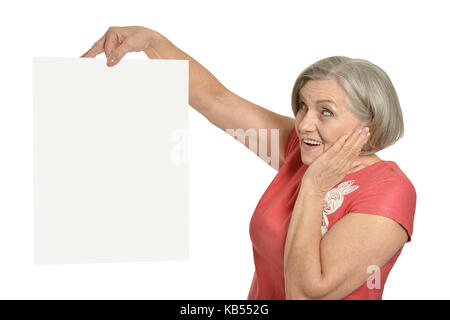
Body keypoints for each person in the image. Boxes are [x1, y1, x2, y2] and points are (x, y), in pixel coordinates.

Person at [82, 26, 416, 300]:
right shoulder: (303, 149)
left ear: (368, 124)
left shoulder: (389, 191)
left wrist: (313, 187)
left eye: (325, 112)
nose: (303, 124)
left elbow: (306, 294)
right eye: (302, 106)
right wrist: (150, 42)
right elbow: (218, 101)